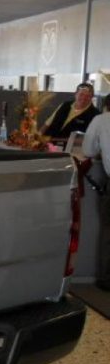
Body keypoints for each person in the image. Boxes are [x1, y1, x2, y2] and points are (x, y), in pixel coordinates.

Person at [82, 94, 110, 290]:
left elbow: (88, 151)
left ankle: (107, 280)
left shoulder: (101, 120)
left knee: (109, 231)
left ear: (106, 106)